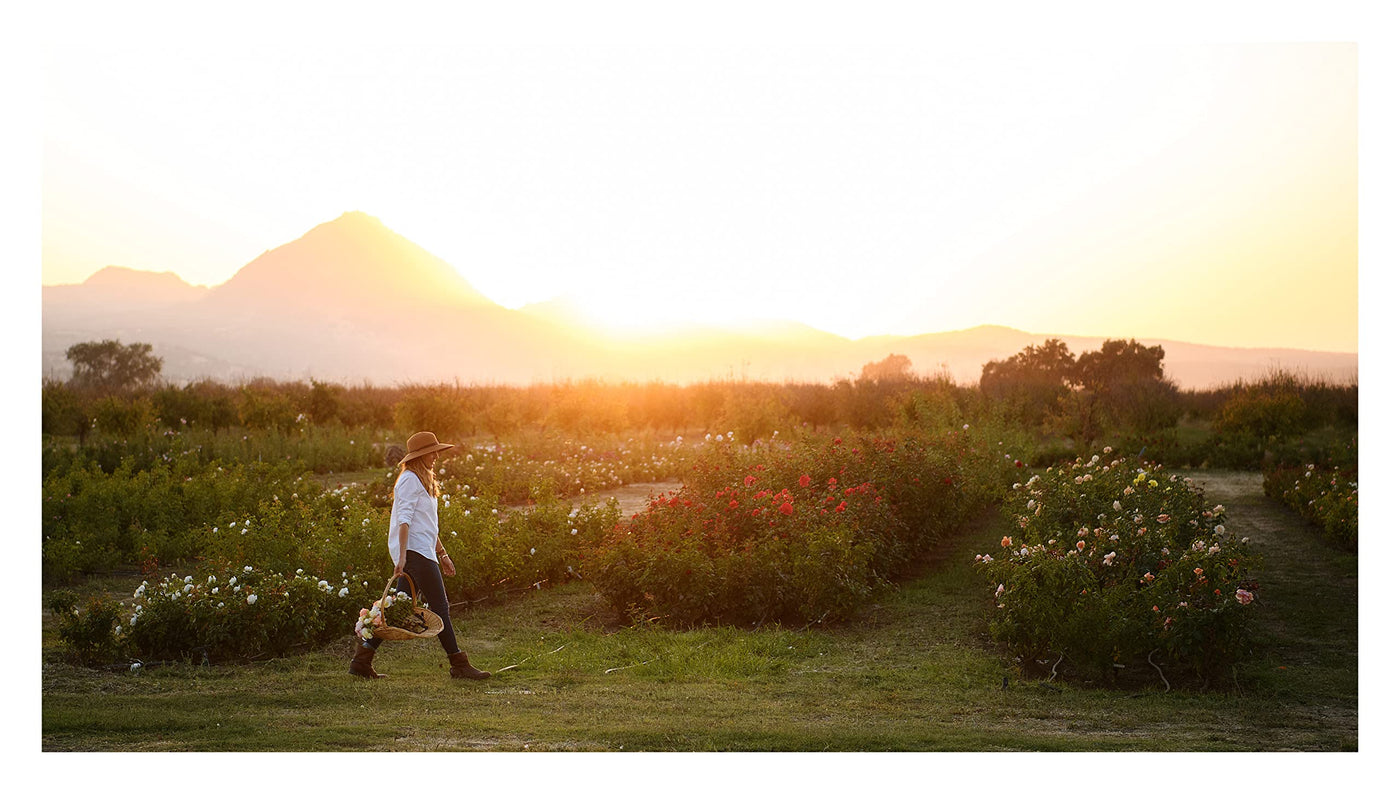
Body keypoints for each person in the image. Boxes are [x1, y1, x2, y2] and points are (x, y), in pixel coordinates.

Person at [349, 431, 491, 680]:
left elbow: (426, 525)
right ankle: (458, 663)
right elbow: (404, 521)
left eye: (437, 451)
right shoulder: (409, 480)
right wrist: (403, 558)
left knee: (399, 609)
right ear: (420, 456)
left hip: (421, 550)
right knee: (440, 606)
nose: (436, 456)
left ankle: (361, 662)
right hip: (414, 553)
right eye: (432, 452)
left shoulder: (423, 480)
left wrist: (443, 553)